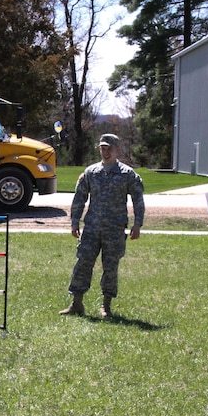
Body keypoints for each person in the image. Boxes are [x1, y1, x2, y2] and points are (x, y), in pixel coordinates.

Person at [60, 133, 144, 319]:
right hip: (91, 228)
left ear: (117, 150)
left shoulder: (127, 174)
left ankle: (106, 306)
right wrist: (74, 221)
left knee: (110, 267)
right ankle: (76, 304)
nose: (106, 152)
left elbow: (138, 199)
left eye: (109, 149)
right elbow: (79, 198)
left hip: (114, 229)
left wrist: (138, 224)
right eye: (103, 148)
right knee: (82, 263)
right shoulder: (91, 173)